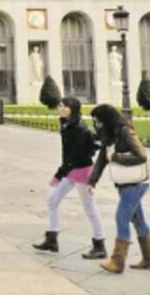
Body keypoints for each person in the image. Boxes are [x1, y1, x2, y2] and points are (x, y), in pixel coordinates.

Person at [32, 97, 106, 259]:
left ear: (71, 108)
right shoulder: (68, 124)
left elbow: (72, 157)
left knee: (90, 208)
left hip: (81, 172)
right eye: (59, 105)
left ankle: (100, 244)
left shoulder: (78, 128)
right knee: (52, 200)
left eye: (63, 106)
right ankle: (52, 239)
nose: (60, 108)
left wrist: (58, 175)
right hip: (72, 171)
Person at [89, 104, 150, 274]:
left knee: (121, 218)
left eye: (99, 121)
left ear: (107, 120)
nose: (96, 125)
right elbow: (101, 160)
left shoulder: (125, 132)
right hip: (125, 183)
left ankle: (117, 261)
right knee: (139, 220)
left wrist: (116, 157)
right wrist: (92, 180)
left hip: (136, 183)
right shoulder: (109, 136)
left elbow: (141, 155)